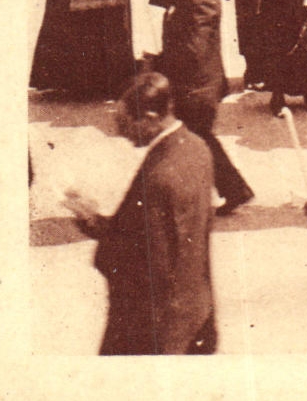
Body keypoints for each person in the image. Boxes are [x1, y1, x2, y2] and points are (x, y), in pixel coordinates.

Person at [64, 72, 216, 354]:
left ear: (149, 118)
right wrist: (97, 221)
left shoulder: (159, 178)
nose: (120, 133)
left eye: (124, 123)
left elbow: (143, 260)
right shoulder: (197, 148)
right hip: (195, 312)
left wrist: (97, 229)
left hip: (153, 328)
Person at [155, 0, 254, 215]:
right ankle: (234, 190)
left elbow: (194, 50)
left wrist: (162, 68)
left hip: (195, 88)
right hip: (195, 85)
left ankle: (226, 192)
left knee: (192, 143)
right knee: (197, 142)